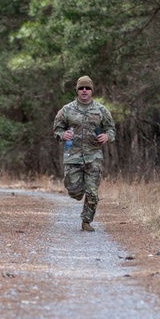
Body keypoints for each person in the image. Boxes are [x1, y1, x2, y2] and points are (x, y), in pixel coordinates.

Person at [52, 75, 116, 231]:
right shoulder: (66, 110)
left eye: (87, 88)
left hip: (93, 156)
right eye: (81, 88)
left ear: (92, 90)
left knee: (92, 191)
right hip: (72, 157)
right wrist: (62, 135)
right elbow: (57, 130)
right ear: (77, 90)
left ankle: (86, 221)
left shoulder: (102, 110)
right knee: (74, 191)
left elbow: (111, 129)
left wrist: (107, 136)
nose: (84, 90)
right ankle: (77, 193)